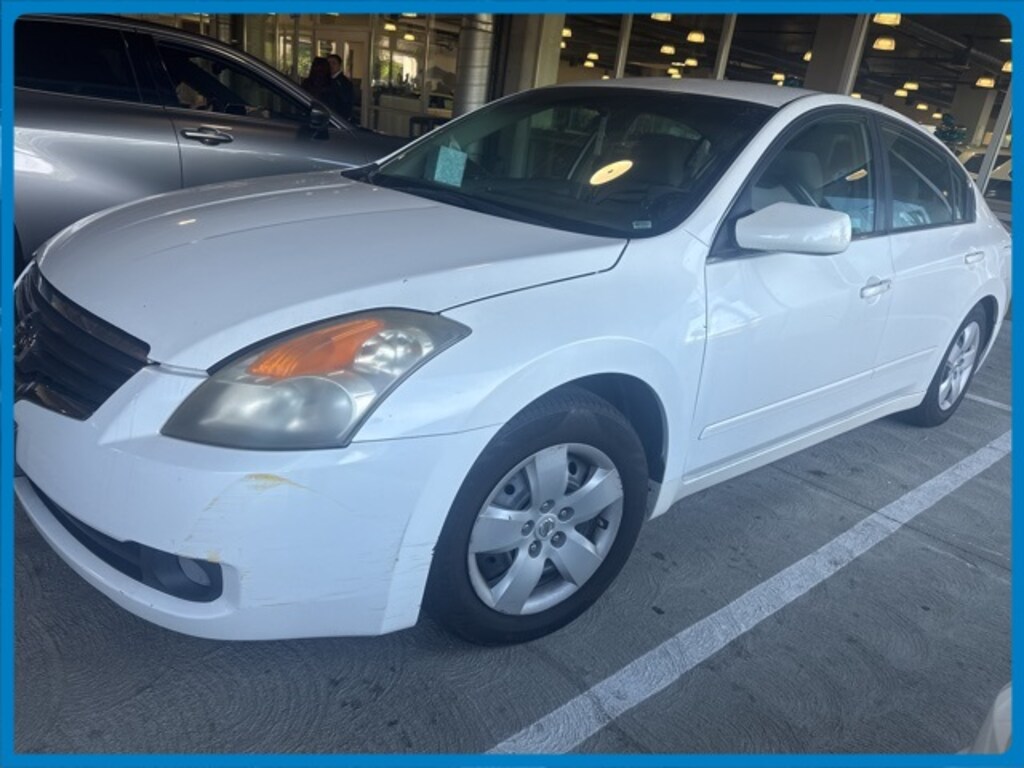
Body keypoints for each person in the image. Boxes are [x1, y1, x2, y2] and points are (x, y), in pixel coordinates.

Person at [326, 53, 356, 122]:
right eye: (328, 63)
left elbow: (346, 100)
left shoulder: (343, 82)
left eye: (334, 63)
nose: (331, 65)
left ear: (339, 65)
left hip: (339, 118)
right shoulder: (326, 79)